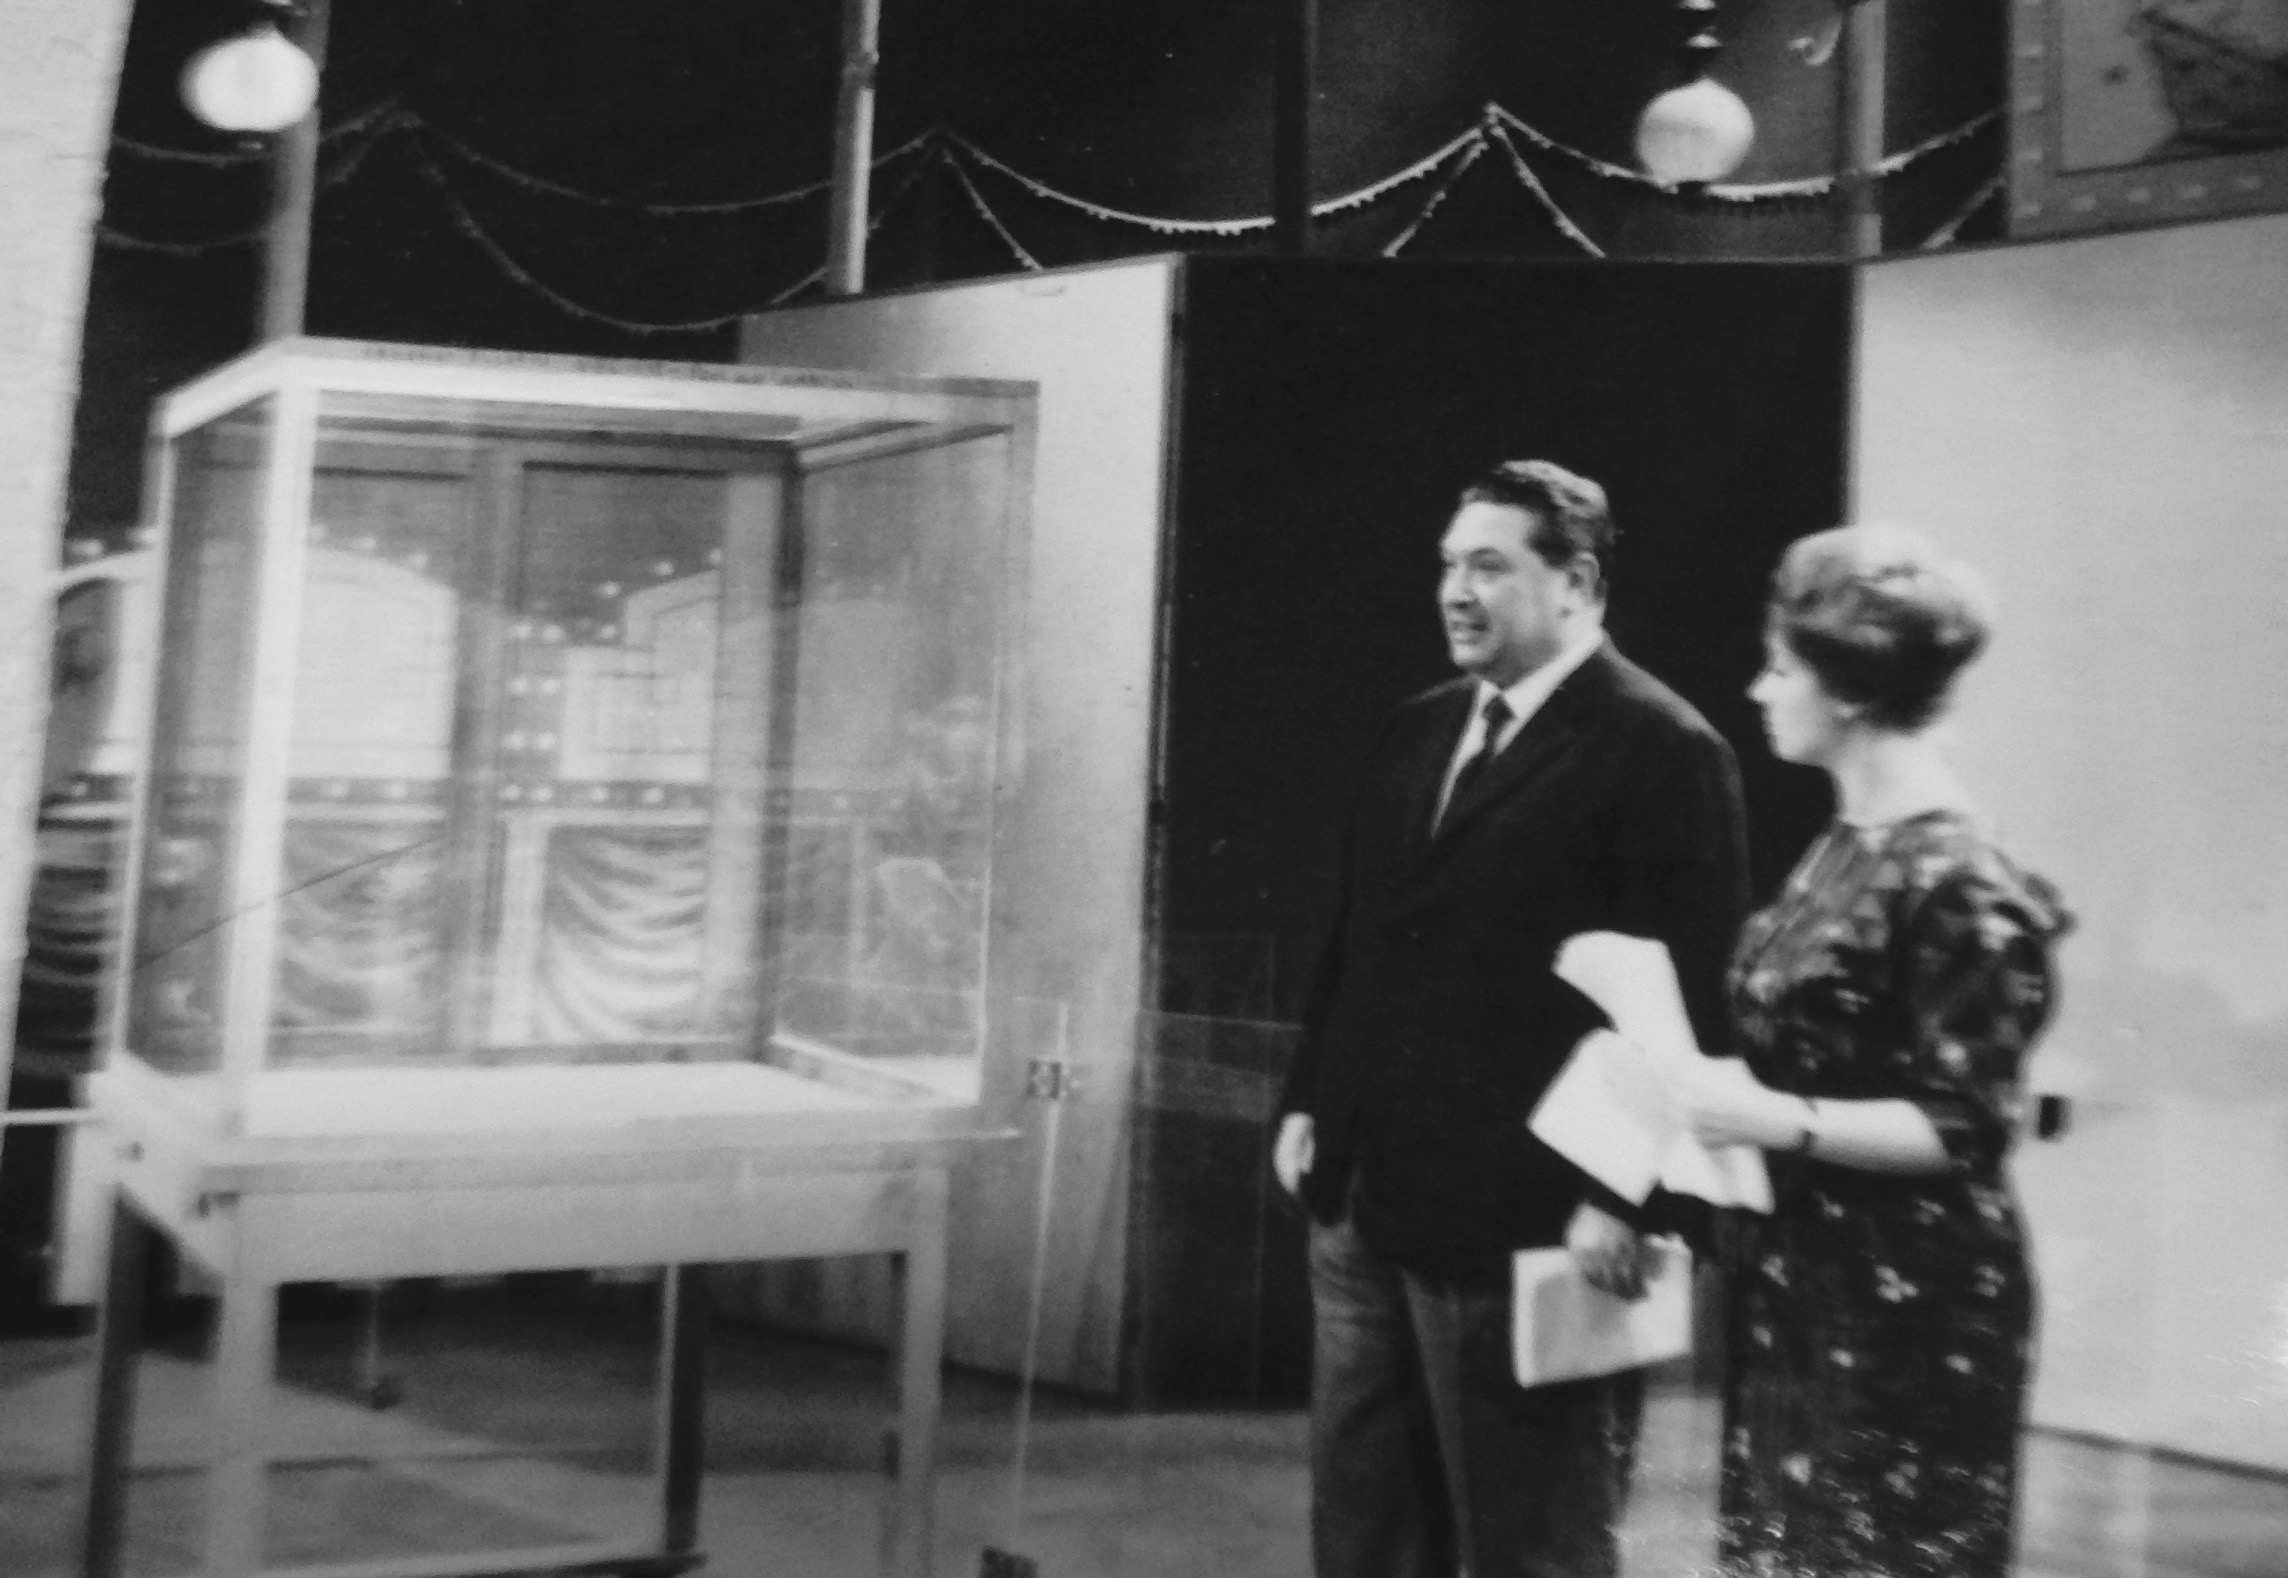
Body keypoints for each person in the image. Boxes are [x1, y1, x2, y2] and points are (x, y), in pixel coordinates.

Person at [1272, 459, 1750, 1578]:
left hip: (1535, 1227)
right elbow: (1357, 940)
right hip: (1363, 1199)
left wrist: (1626, 1199)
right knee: (1363, 1534)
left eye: (1488, 566)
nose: (1454, 591)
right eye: (1448, 565)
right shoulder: (1418, 729)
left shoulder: (1664, 749)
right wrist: (1309, 1102)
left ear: (1575, 582)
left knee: (1532, 1545)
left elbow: (1691, 1005)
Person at [1678, 523, 2071, 1578]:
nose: (1759, 690)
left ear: (1846, 691)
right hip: (1805, 1276)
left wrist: (1773, 1118)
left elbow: (1967, 1122)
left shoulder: (1957, 873)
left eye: (1778, 667)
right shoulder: (1849, 843)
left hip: (1907, 1301)